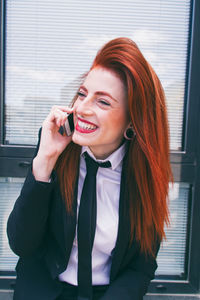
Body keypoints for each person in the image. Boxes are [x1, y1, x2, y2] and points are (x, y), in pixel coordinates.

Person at [7, 37, 173, 300]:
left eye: (103, 102)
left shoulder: (145, 170)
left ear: (133, 121)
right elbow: (22, 244)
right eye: (83, 94)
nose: (82, 108)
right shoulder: (55, 147)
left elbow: (140, 266)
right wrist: (45, 162)